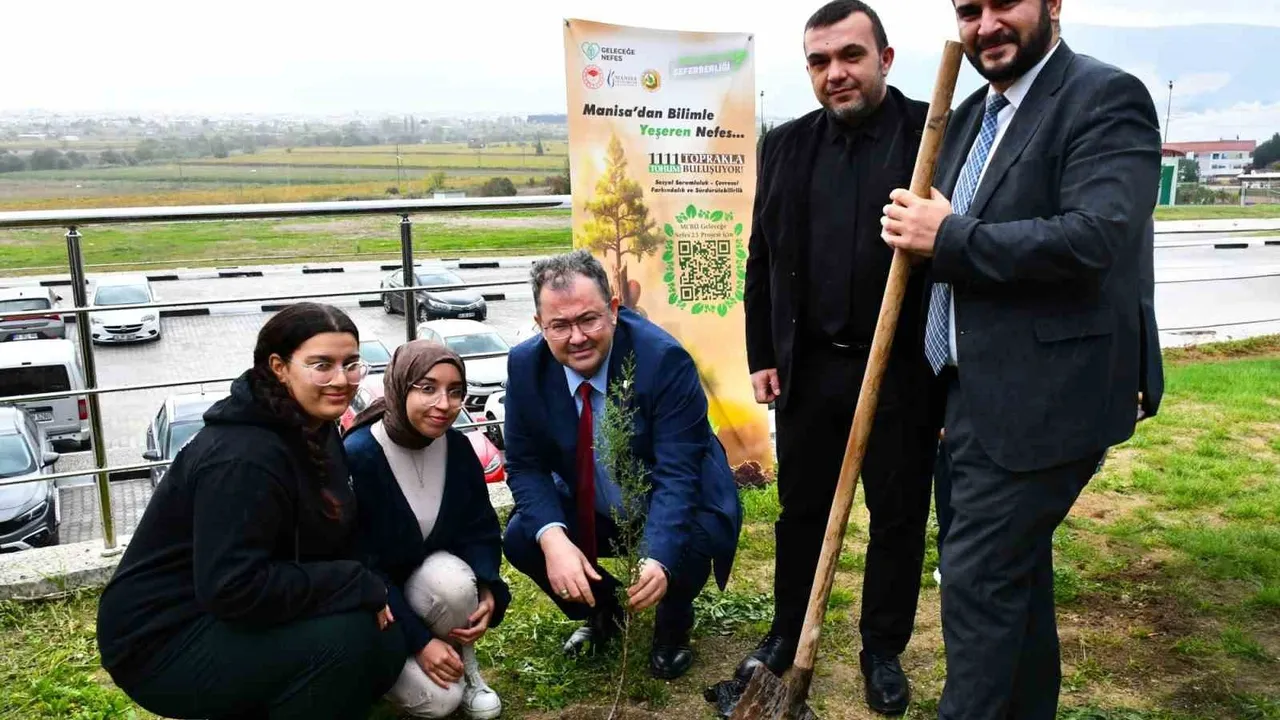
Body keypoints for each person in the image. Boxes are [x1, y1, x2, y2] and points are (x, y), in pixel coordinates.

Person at [880, 0, 1164, 717]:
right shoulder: (973, 113)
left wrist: (947, 236)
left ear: (1053, 3)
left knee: (977, 584)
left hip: (1043, 400)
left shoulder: (1105, 99)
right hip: (968, 395)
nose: (985, 24)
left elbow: (1094, 239)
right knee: (1014, 583)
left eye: (1003, 2)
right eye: (969, 10)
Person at [739, 0, 941, 714]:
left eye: (851, 56)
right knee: (800, 513)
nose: (836, 73)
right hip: (811, 368)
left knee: (896, 512)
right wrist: (762, 350)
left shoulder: (933, 133)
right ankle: (787, 632)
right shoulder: (786, 146)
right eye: (820, 61)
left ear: (885, 59)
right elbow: (761, 258)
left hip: (902, 369)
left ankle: (881, 648)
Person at [96, 302, 405, 720]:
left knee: (386, 644)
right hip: (162, 641)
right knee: (349, 638)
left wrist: (364, 584)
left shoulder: (314, 425)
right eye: (322, 365)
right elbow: (232, 586)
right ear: (279, 367)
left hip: (227, 612)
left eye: (352, 364)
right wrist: (352, 582)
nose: (341, 380)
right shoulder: (242, 459)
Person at [501, 249, 743, 681]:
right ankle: (606, 612)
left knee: (688, 541)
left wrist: (658, 559)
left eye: (588, 319)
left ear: (613, 310)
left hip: (671, 498)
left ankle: (673, 620)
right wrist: (553, 539)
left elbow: (678, 474)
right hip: (593, 499)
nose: (576, 337)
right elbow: (524, 464)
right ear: (540, 326)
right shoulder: (524, 366)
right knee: (524, 536)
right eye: (559, 325)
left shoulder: (664, 361)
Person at [344, 340, 510, 720]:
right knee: (439, 703)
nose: (443, 404)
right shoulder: (360, 456)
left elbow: (479, 527)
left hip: (430, 587)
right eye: (428, 388)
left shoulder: (456, 448)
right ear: (401, 386)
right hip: (376, 605)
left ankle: (466, 666)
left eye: (455, 392)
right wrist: (420, 643)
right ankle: (378, 665)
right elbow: (360, 562)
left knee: (453, 584)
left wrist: (487, 587)